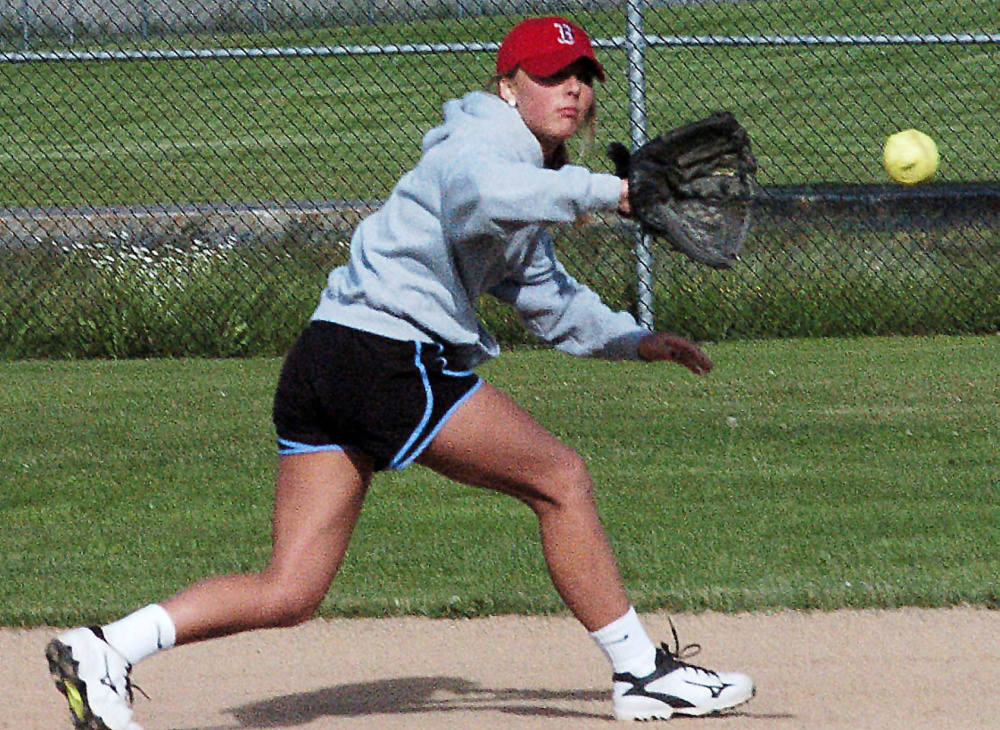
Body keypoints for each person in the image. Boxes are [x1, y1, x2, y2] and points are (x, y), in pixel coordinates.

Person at [45, 16, 754, 729]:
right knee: (560, 480)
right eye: (547, 74)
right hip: (381, 357)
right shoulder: (480, 143)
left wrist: (635, 340)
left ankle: (105, 648)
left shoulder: (527, 172)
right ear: (507, 86)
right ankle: (642, 676)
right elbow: (487, 194)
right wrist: (614, 192)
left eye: (581, 78)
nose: (569, 89)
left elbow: (545, 295)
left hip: (327, 360)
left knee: (290, 591)